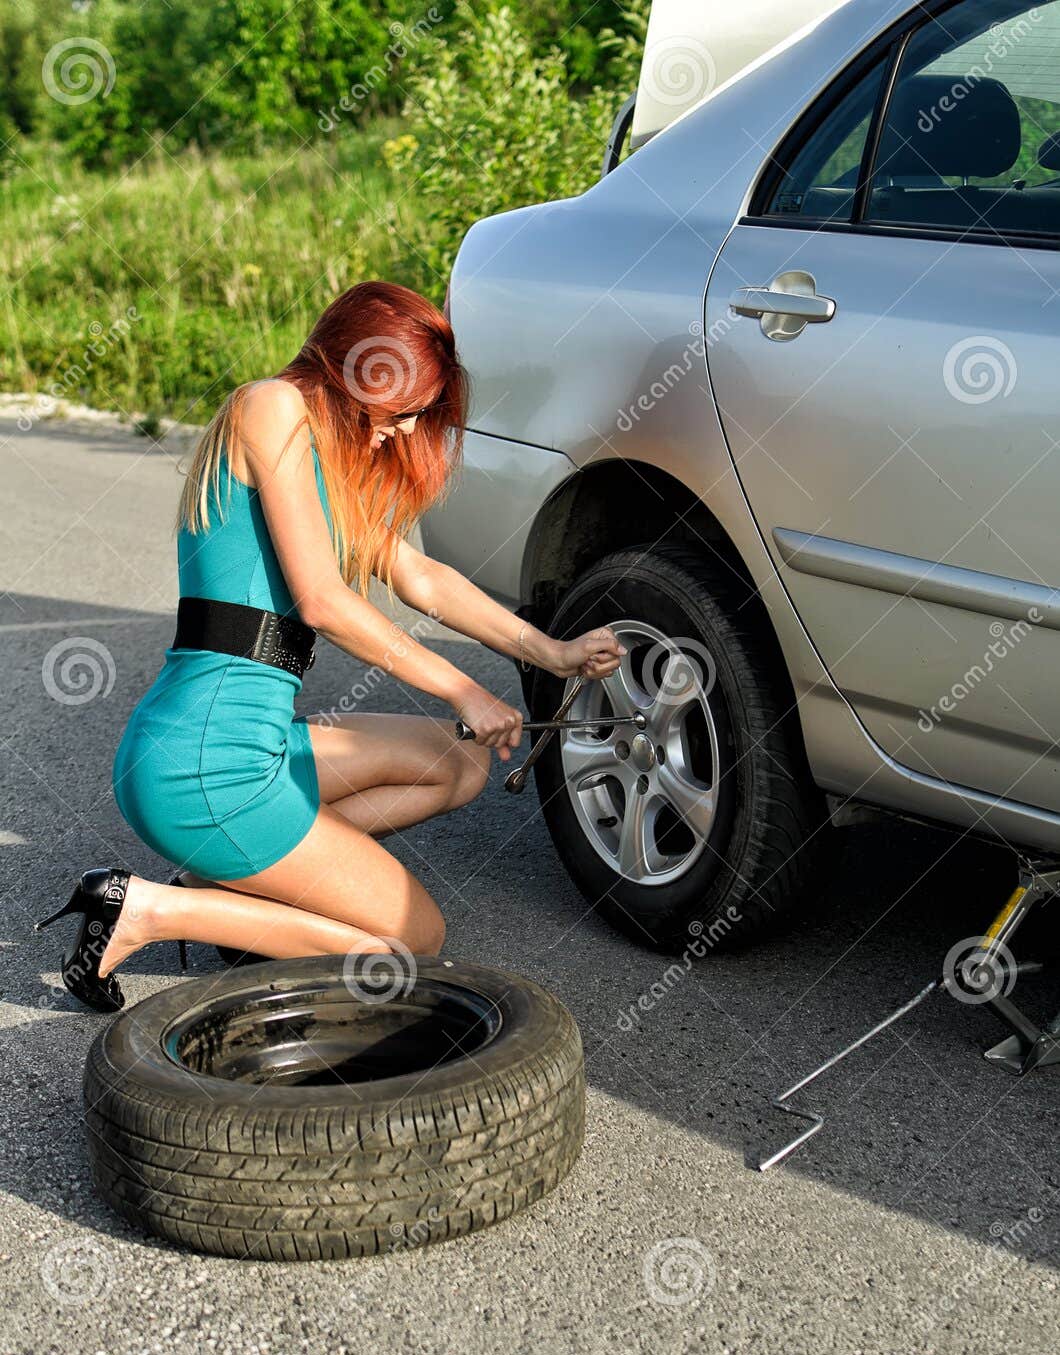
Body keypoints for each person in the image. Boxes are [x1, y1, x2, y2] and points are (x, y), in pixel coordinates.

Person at [36, 280, 624, 1012]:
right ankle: (151, 911)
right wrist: (461, 687)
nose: (408, 431)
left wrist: (552, 653)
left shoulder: (323, 465)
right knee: (414, 940)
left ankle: (230, 889)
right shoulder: (270, 408)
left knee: (459, 764)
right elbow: (323, 600)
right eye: (404, 410)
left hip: (258, 747)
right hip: (204, 768)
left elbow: (420, 576)